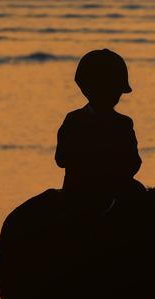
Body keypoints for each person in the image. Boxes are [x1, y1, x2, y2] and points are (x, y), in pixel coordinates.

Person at [55, 48, 143, 211]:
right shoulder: (74, 120)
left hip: (113, 189)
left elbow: (134, 163)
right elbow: (62, 159)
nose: (116, 95)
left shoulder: (123, 123)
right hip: (79, 194)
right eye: (114, 90)